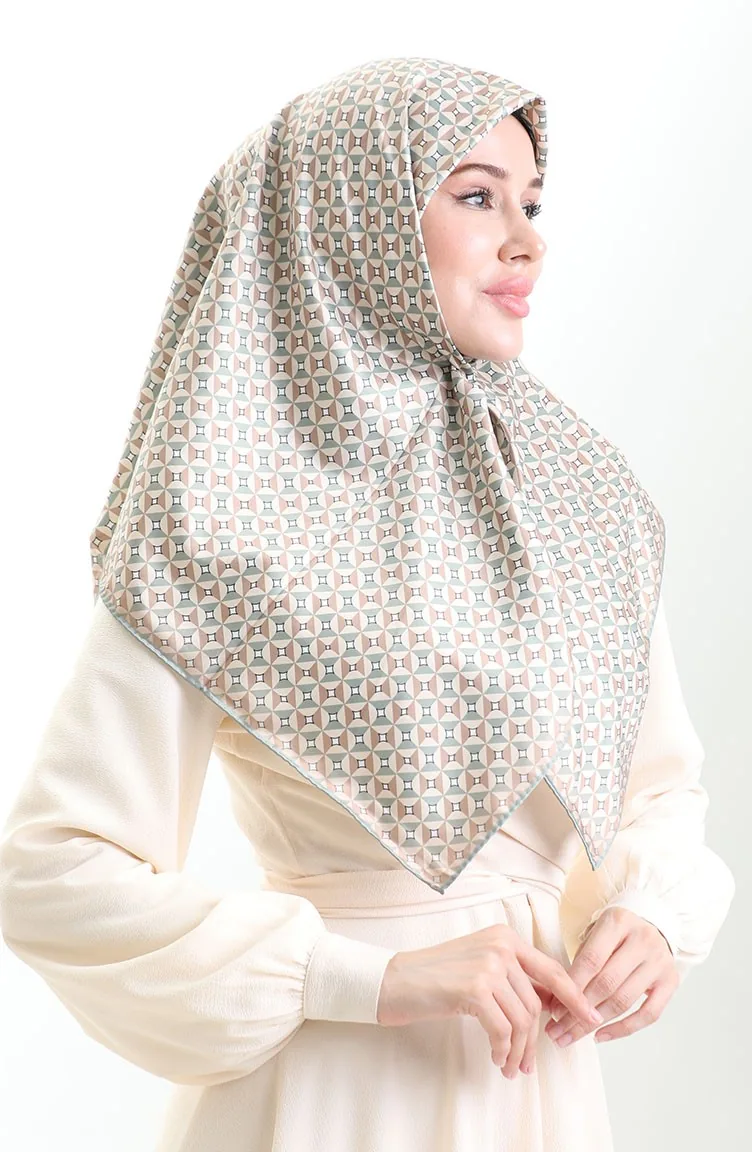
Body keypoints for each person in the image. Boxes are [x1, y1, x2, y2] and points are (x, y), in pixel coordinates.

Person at [0, 56, 735, 1152]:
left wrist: (652, 911)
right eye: (476, 196)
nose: (527, 242)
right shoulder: (222, 517)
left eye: (531, 205)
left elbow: (656, 789)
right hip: (331, 1093)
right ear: (356, 222)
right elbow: (53, 869)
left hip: (538, 1085)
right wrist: (365, 977)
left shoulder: (578, 503)